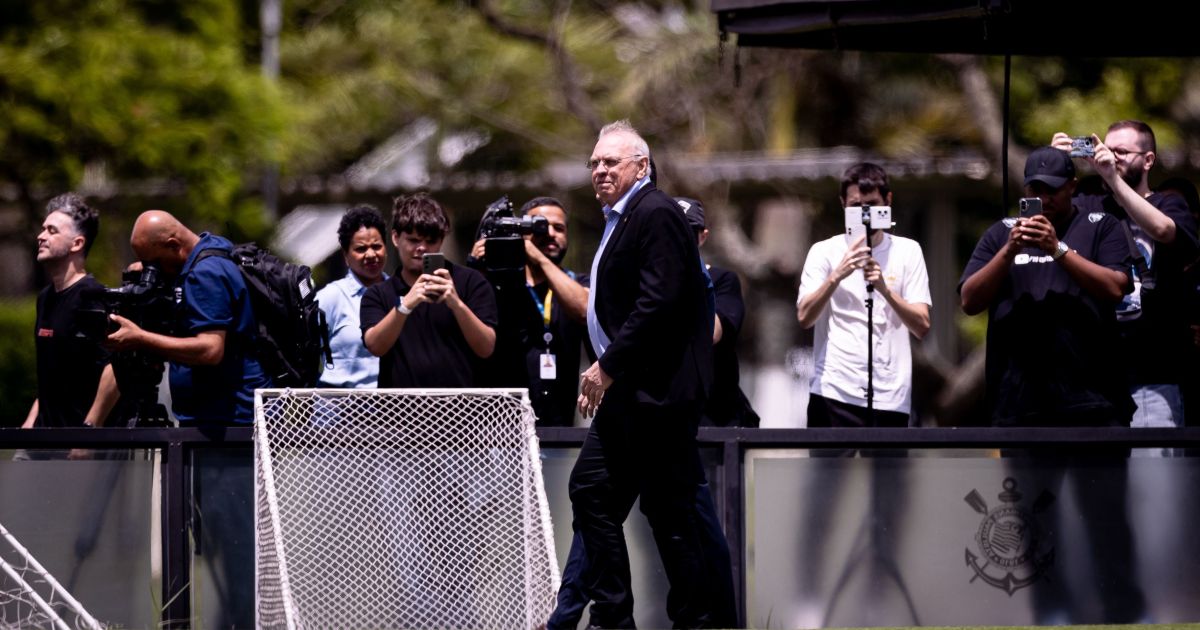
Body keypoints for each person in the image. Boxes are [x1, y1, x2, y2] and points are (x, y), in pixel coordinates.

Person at [959, 146, 1144, 623]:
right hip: (1021, 406)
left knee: (1104, 516)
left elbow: (1115, 287)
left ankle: (1119, 612)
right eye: (1032, 190)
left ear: (1072, 189)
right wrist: (1010, 251)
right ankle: (1051, 614)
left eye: (1050, 191)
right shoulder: (1002, 234)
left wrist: (1058, 250)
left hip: (1092, 403)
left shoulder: (1100, 226)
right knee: (1034, 527)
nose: (1040, 200)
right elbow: (969, 300)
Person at [563, 120, 730, 628]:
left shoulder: (654, 212)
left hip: (654, 394)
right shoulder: (621, 217)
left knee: (669, 511)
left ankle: (692, 619)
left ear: (641, 166)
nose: (599, 170)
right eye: (594, 162)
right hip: (633, 394)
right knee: (606, 494)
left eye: (610, 162)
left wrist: (606, 367)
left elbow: (659, 303)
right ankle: (616, 617)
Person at [104, 210, 272, 628]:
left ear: (176, 246)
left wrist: (141, 339)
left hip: (224, 427)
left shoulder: (205, 274)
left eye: (159, 261)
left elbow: (211, 348)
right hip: (217, 424)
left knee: (236, 550)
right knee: (226, 551)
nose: (158, 272)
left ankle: (240, 621)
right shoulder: (211, 253)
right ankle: (231, 618)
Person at [1051, 122, 1199, 428]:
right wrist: (1054, 166)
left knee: (1154, 474)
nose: (1111, 156)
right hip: (1094, 378)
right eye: (1106, 149)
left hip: (1154, 375)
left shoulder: (1168, 203)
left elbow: (1163, 230)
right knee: (1098, 477)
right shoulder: (1089, 206)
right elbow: (1044, 226)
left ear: (1147, 160)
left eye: (1121, 151)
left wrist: (1112, 178)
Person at [796, 162, 931, 428]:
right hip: (833, 390)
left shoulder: (907, 251)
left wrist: (884, 288)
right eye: (856, 207)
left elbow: (922, 325)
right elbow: (804, 316)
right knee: (828, 470)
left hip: (890, 395)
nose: (864, 214)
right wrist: (837, 275)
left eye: (871, 205)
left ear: (887, 201)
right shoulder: (824, 251)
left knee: (887, 471)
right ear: (842, 205)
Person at [469, 196, 590, 425]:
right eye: (540, 225)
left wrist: (535, 255)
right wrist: (476, 269)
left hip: (559, 426)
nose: (550, 233)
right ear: (521, 230)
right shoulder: (497, 285)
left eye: (559, 228)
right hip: (501, 430)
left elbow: (584, 310)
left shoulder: (577, 282)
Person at [361, 192, 497, 386]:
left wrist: (457, 305)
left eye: (431, 241)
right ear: (395, 238)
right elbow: (375, 346)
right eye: (414, 240)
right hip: (398, 413)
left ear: (441, 241)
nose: (422, 248)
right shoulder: (378, 293)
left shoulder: (471, 282)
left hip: (461, 411)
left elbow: (486, 347)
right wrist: (405, 305)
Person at [21, 193, 118, 433]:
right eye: (43, 229)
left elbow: (115, 368)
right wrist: (28, 426)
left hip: (77, 443)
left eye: (52, 231)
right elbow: (51, 378)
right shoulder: (45, 298)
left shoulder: (92, 296)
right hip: (43, 441)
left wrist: (89, 430)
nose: (41, 236)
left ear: (77, 244)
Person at [676, 196, 760, 428]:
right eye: (671, 232)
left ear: (702, 237)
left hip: (715, 417)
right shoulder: (646, 282)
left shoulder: (722, 280)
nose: (678, 241)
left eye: (687, 234)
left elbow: (711, 332)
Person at [316, 204, 389, 388]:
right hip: (338, 412)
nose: (371, 254)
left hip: (391, 411)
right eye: (361, 249)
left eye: (377, 246)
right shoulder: (331, 297)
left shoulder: (401, 294)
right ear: (346, 256)